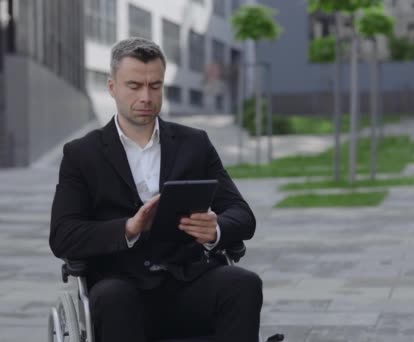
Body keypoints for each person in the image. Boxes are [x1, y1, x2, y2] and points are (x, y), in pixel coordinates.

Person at [49, 37, 261, 342]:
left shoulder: (195, 144)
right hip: (121, 286)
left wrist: (215, 230)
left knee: (243, 284)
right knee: (112, 297)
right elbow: (63, 235)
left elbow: (243, 216)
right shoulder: (82, 154)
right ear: (112, 88)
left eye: (155, 86)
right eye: (134, 86)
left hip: (190, 281)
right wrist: (128, 228)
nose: (145, 97)